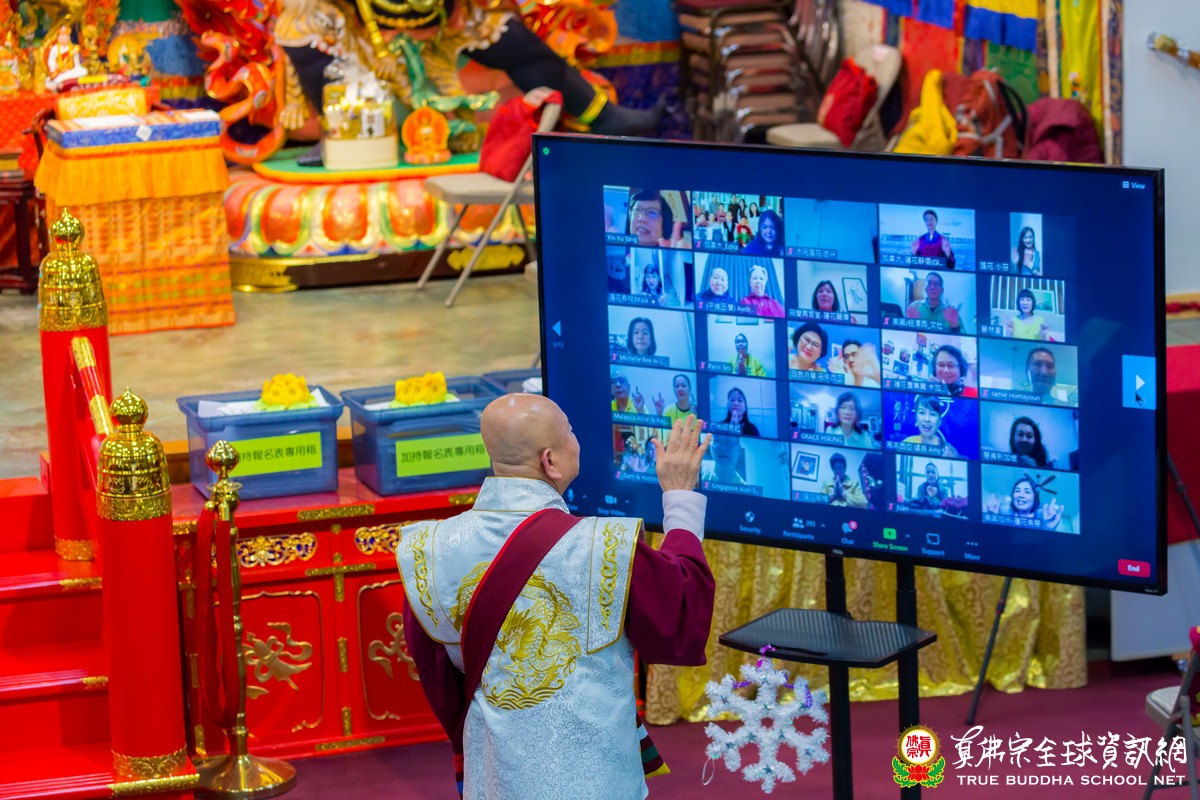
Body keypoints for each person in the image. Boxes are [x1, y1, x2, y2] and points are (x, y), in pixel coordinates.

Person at [397, 396, 715, 800]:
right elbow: (679, 617)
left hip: (498, 772)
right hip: (596, 777)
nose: (576, 440)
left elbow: (439, 678)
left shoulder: (429, 550)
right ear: (550, 461)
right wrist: (680, 496)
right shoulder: (603, 546)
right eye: (570, 431)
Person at [985, 475, 1064, 529]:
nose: (1021, 495)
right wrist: (990, 518)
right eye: (1017, 491)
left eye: (1027, 492)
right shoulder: (1003, 512)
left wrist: (1047, 528)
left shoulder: (1042, 516)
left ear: (1035, 498)